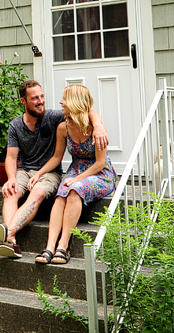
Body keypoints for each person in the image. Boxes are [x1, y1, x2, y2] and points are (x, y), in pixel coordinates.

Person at [0, 80, 108, 258]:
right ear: (23, 101)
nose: (41, 101)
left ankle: (8, 233)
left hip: (51, 173)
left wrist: (98, 124)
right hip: (26, 171)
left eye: (42, 96)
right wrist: (11, 178)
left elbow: (86, 110)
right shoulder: (16, 125)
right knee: (10, 191)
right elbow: (11, 157)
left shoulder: (54, 117)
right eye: (35, 98)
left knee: (39, 192)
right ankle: (11, 241)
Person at [31, 84, 118, 265]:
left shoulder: (97, 129)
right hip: (75, 170)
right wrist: (38, 173)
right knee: (61, 194)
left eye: (65, 99)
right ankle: (50, 246)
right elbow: (56, 157)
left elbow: (100, 163)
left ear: (75, 102)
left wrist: (77, 179)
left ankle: (63, 246)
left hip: (100, 173)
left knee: (74, 188)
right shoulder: (64, 127)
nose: (61, 102)